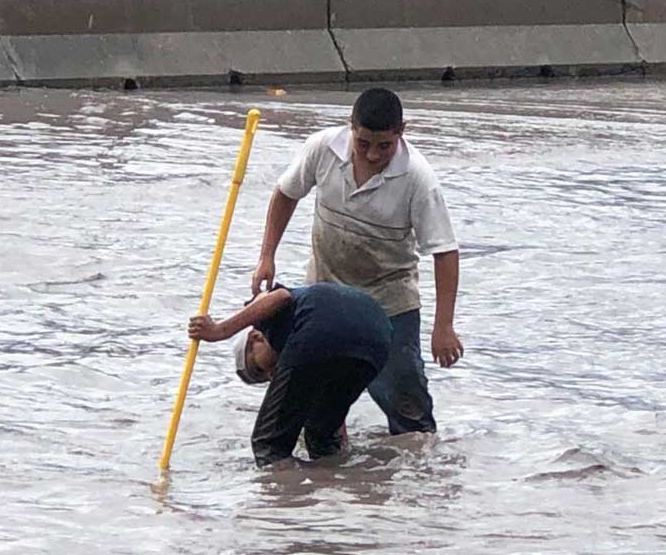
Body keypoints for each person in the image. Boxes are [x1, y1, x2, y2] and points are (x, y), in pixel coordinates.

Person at [251, 88, 463, 435]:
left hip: (389, 304)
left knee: (407, 408)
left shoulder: (418, 179)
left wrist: (444, 326)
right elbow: (286, 194)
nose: (372, 154)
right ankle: (332, 475)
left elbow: (445, 251)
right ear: (351, 127)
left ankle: (420, 479)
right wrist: (266, 256)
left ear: (401, 132)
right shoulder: (322, 149)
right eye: (363, 143)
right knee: (318, 404)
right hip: (326, 296)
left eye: (384, 146)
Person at [188, 282, 392, 467]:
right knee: (321, 435)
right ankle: (333, 491)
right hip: (378, 339)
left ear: (255, 338)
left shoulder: (263, 321)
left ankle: (285, 499)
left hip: (320, 325)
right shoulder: (300, 346)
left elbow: (282, 296)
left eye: (259, 369)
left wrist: (220, 330)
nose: (271, 375)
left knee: (268, 443)